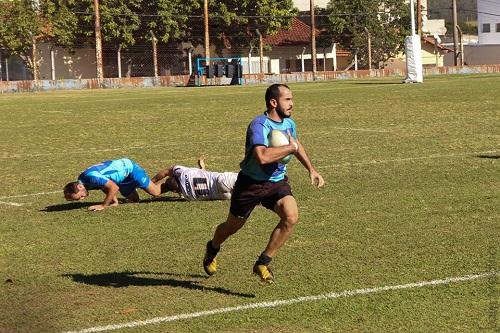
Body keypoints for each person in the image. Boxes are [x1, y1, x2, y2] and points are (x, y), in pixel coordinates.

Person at [203, 83, 325, 283]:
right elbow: (263, 157)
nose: (292, 104)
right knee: (232, 226)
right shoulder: (258, 125)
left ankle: (263, 262)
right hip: (250, 184)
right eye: (287, 100)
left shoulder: (288, 124)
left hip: (276, 183)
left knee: (291, 217)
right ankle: (213, 247)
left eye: (292, 99)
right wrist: (290, 147)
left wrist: (311, 169)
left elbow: (296, 144)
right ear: (273, 102)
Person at [63, 158, 165, 211]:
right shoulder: (83, 181)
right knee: (134, 200)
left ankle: (173, 182)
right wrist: (115, 202)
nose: (82, 199)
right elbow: (104, 186)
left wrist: (103, 205)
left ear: (79, 187)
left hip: (130, 169)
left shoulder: (90, 177)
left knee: (155, 192)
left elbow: (113, 187)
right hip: (121, 179)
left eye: (79, 197)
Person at [151, 156, 238, 201]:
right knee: (248, 177)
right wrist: (151, 182)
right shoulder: (182, 173)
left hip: (223, 196)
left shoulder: (188, 196)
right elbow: (166, 171)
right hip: (222, 181)